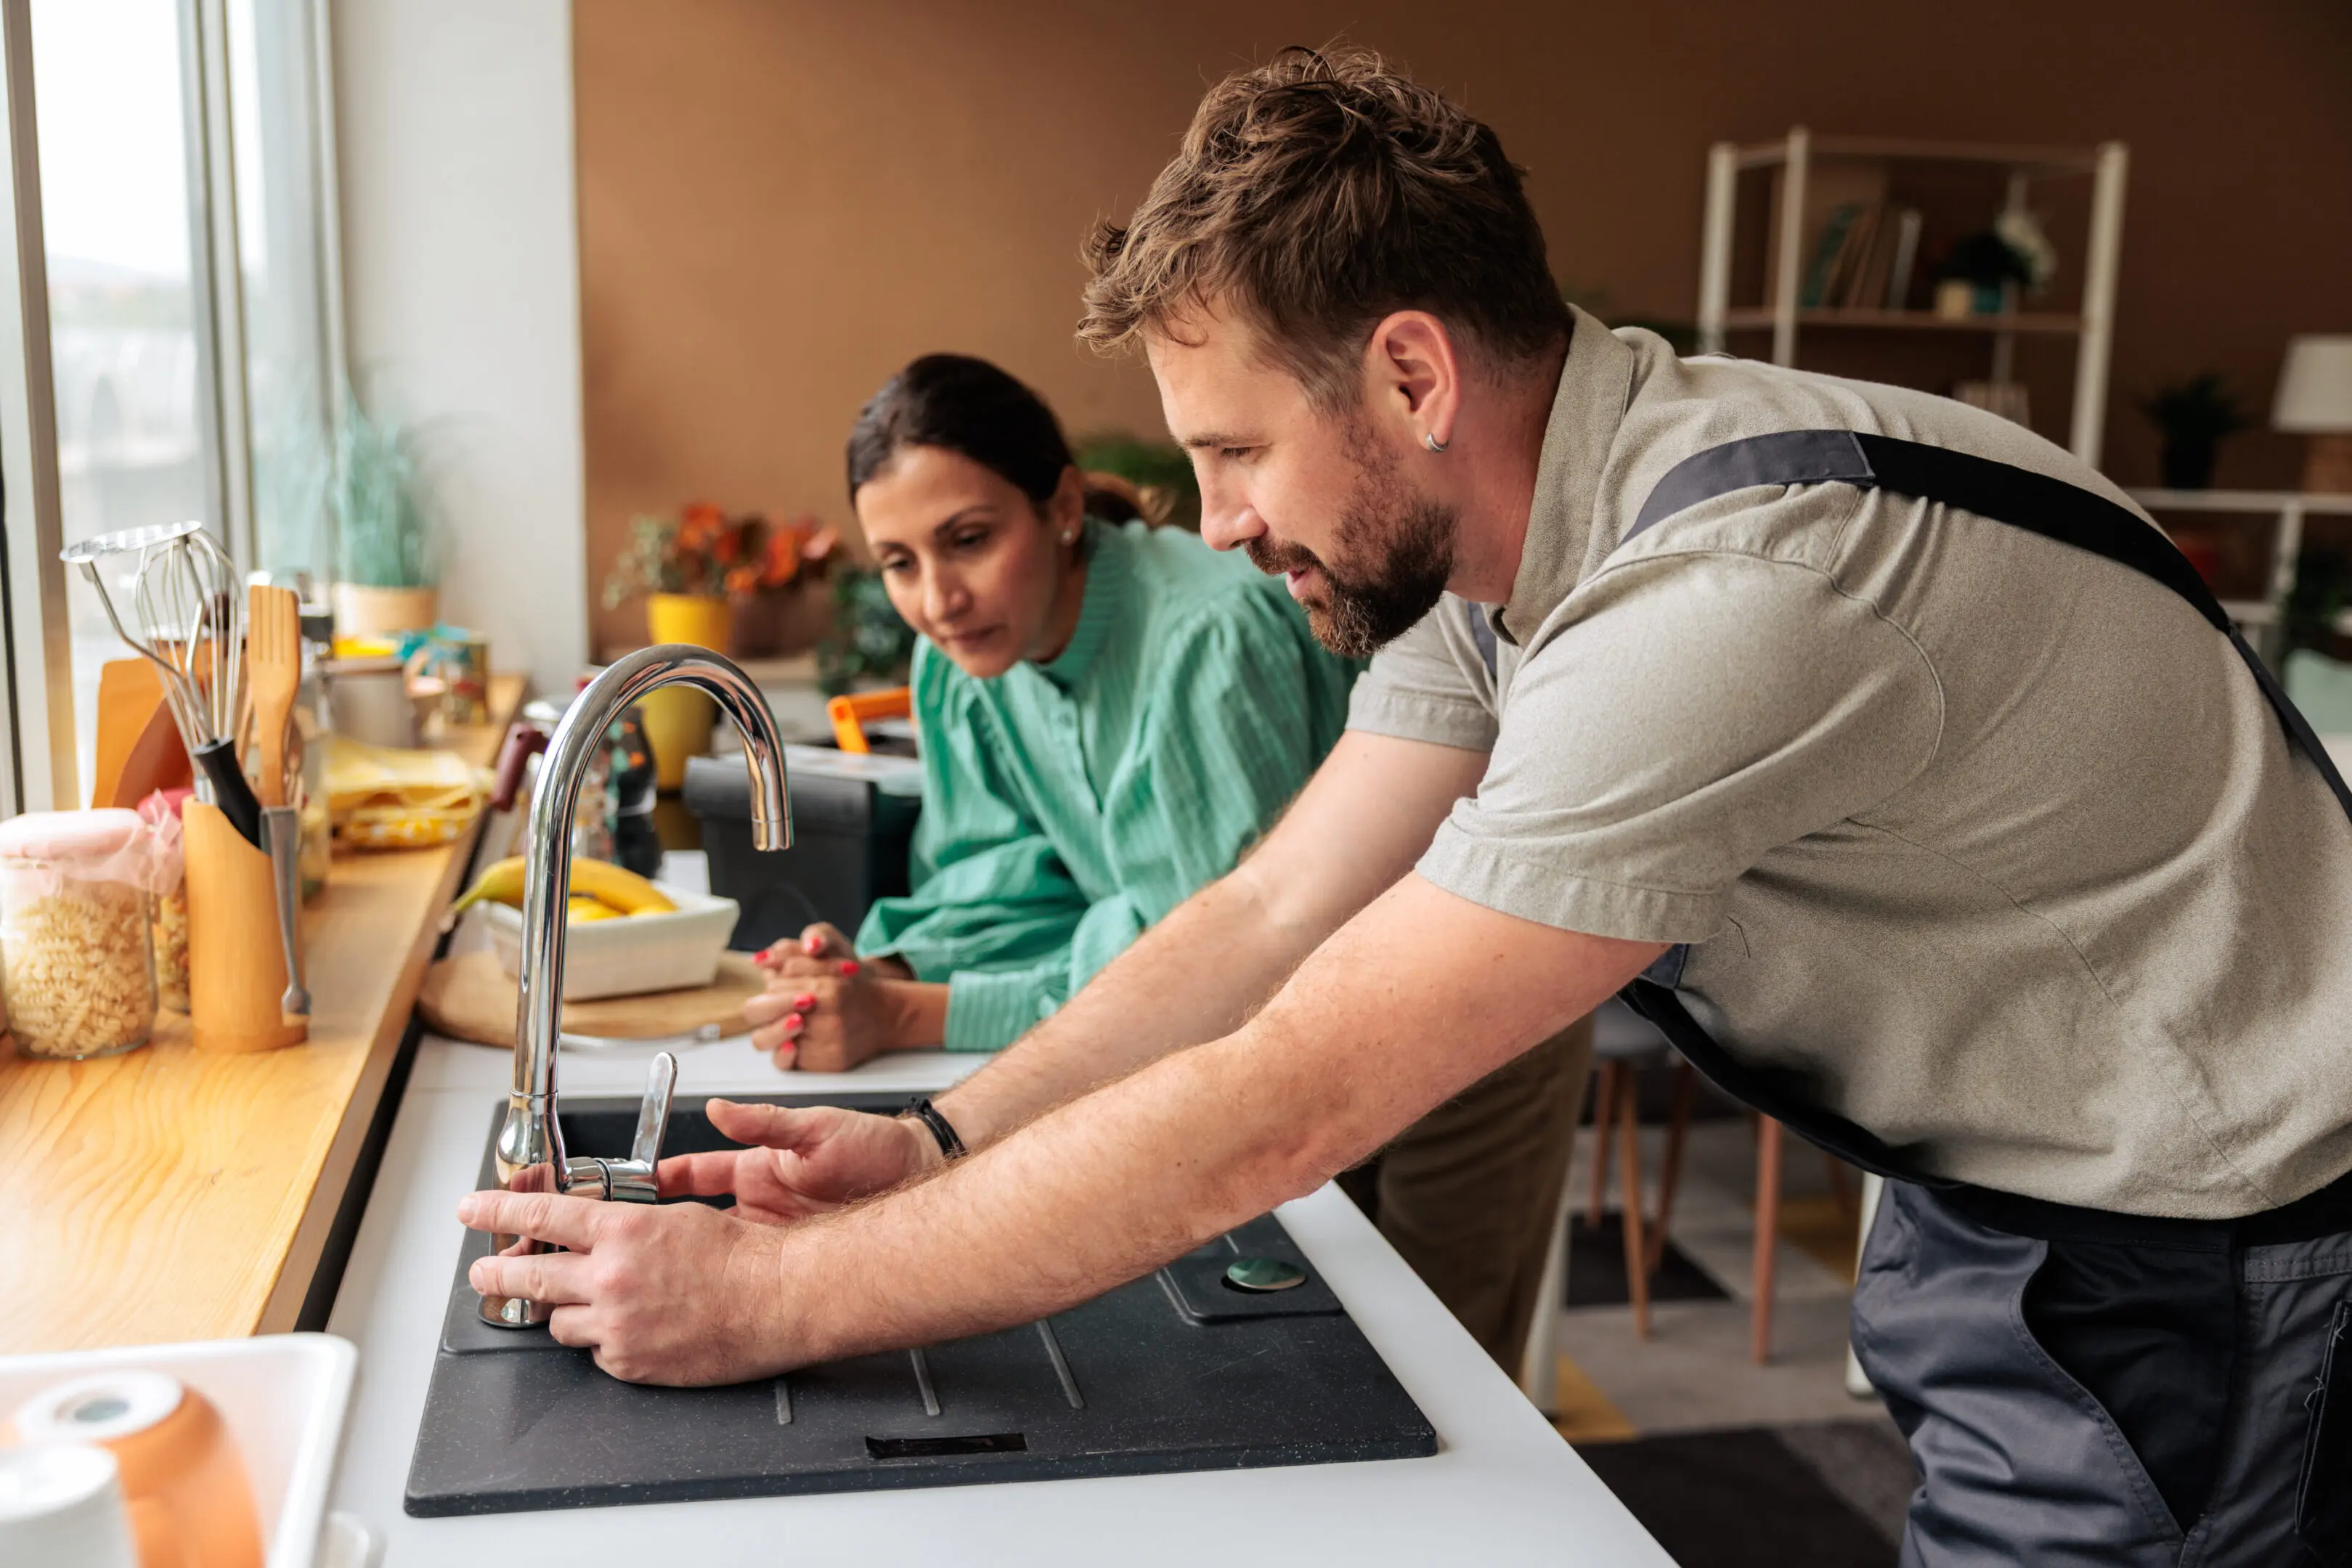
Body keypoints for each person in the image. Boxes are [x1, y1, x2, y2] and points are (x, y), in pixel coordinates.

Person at [463, 49, 2352, 1564]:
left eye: (1231, 454)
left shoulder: (1719, 597)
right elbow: (1269, 917)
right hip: (2009, 1163)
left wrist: (769, 1307)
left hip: (2187, 1224)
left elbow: (1275, 1103)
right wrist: (945, 1139)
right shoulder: (1497, 556)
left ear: (1408, 376)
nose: (1208, 523)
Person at [745, 351, 1592, 1368]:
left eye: (968, 540)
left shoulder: (1206, 635)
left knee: (1443, 1382)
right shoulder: (960, 661)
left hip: (1464, 998)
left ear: (1060, 506)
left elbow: (1228, 962)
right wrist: (883, 971)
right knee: (1308, 1372)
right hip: (1258, 1020)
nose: (938, 598)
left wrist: (918, 1015)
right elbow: (1003, 887)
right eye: (898, 563)